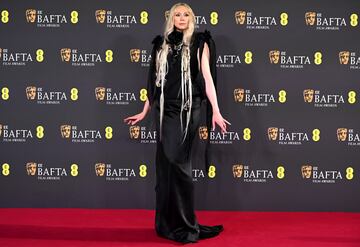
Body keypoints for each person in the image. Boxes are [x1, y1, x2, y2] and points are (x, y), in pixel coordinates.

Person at [124, 2, 230, 244]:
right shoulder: (161, 45)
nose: (181, 18)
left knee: (179, 164)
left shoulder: (199, 43)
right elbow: (154, 83)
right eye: (177, 15)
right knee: (165, 167)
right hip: (164, 110)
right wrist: (144, 112)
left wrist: (216, 110)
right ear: (171, 18)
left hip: (186, 110)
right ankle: (167, 223)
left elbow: (207, 78)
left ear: (191, 18)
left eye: (186, 15)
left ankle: (185, 224)